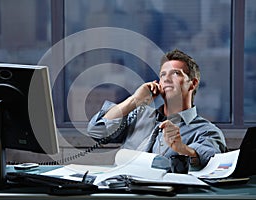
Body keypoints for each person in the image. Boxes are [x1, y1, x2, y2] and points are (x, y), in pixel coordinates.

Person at [87, 49, 227, 169]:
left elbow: (213, 161)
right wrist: (134, 100)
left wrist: (182, 149)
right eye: (163, 75)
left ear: (193, 83)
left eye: (175, 73)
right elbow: (96, 130)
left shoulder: (206, 131)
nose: (166, 79)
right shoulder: (138, 115)